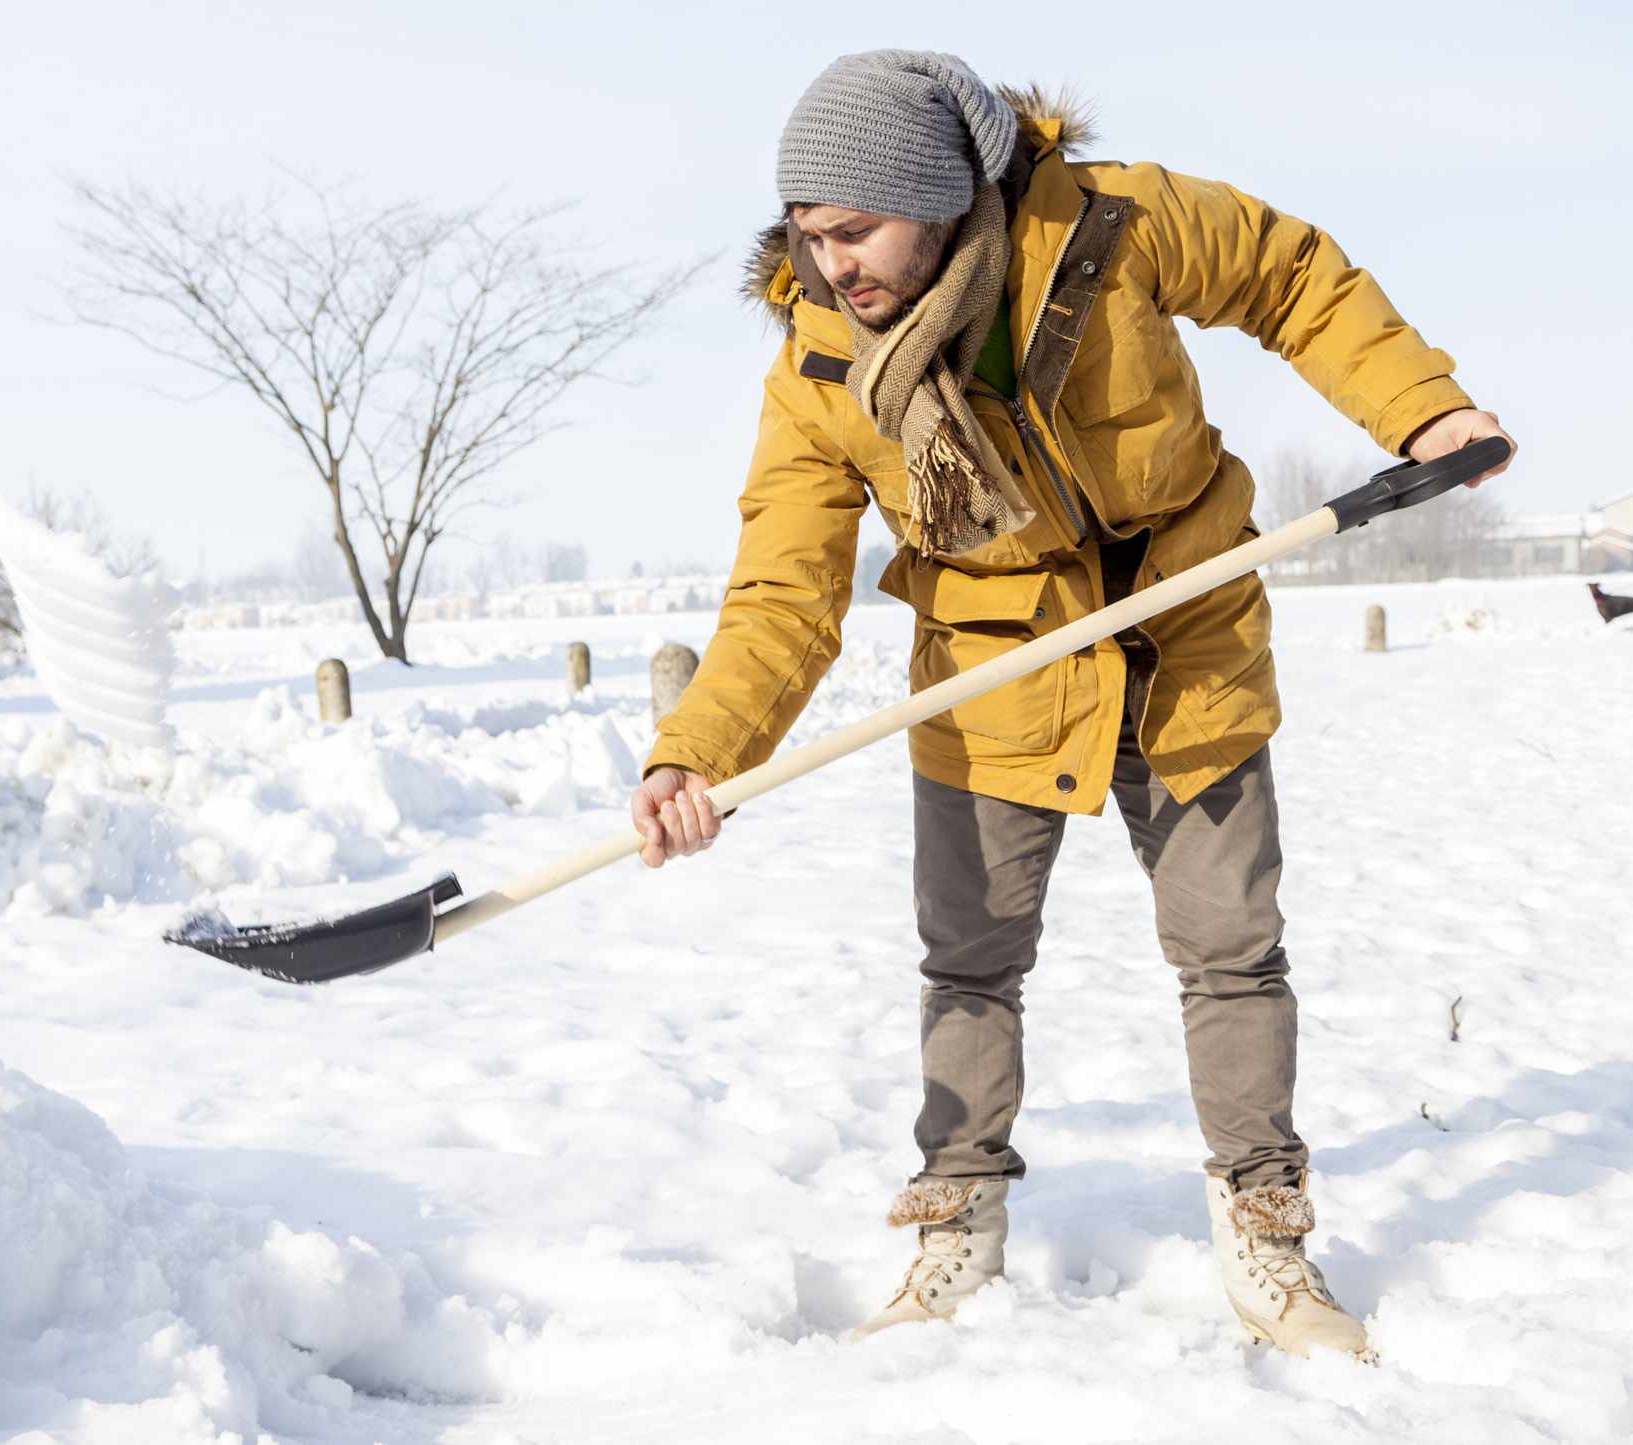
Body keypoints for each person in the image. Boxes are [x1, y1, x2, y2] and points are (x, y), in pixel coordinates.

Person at [628, 50, 1516, 1358]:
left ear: (934, 198)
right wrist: (693, 750)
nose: (832, 268)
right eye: (809, 238)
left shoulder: (1112, 227)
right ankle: (960, 1223)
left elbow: (1291, 275)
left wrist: (1424, 410)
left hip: (1186, 629)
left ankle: (1265, 1231)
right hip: (993, 670)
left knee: (1232, 950)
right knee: (970, 961)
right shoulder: (823, 370)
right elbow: (783, 590)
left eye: (854, 231)